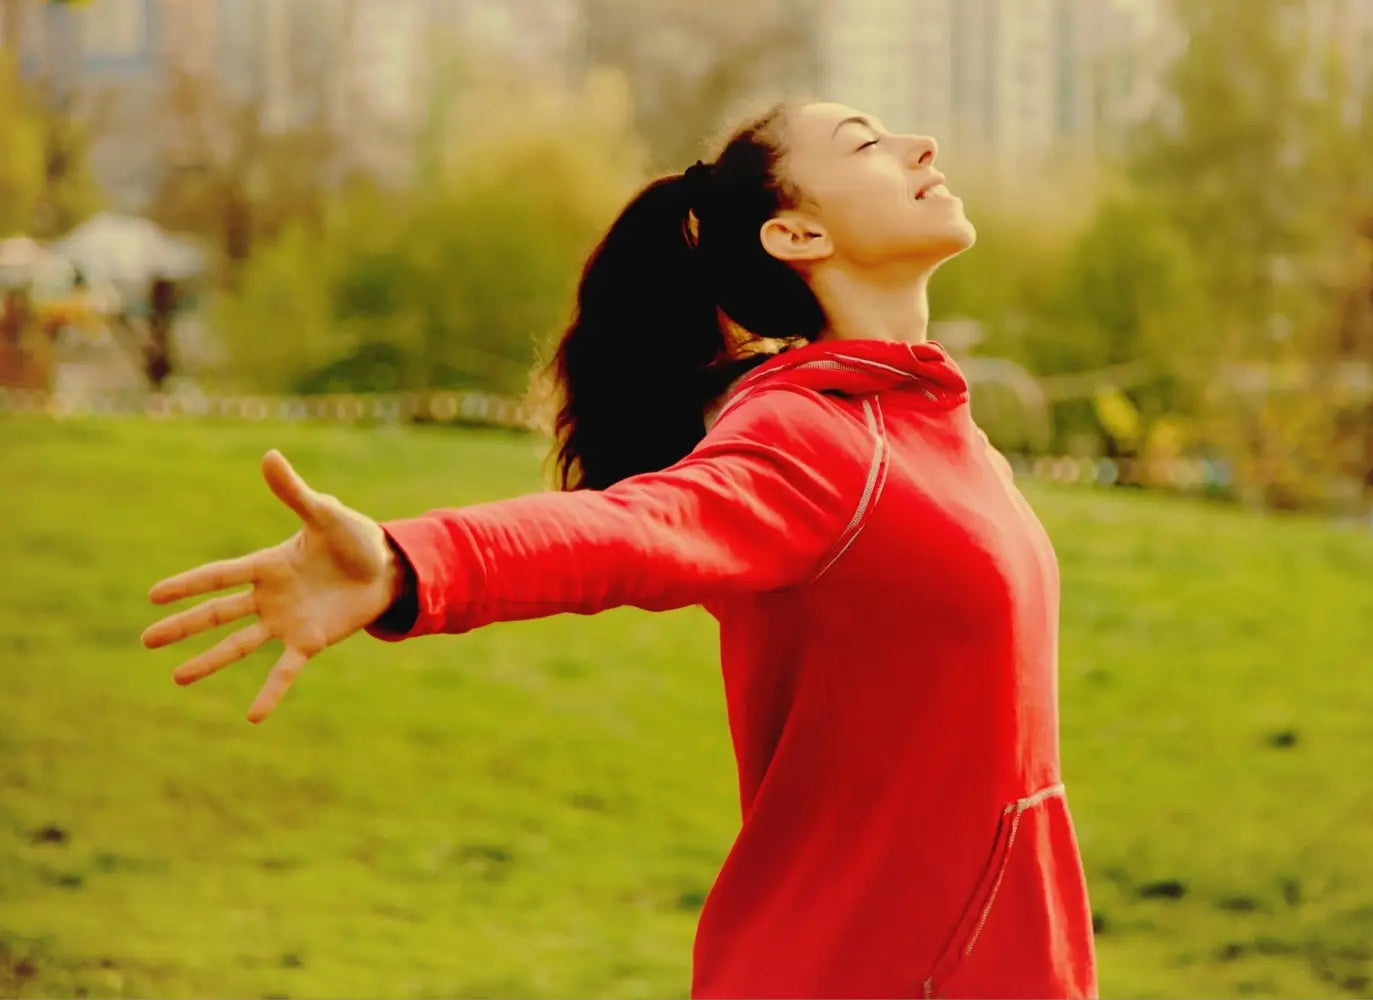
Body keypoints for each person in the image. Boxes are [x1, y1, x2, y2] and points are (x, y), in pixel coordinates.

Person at [141, 101, 1098, 999]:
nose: (919, 149)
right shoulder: (817, 436)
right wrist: (409, 563)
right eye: (864, 144)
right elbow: (637, 526)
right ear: (797, 235)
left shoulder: (930, 427)